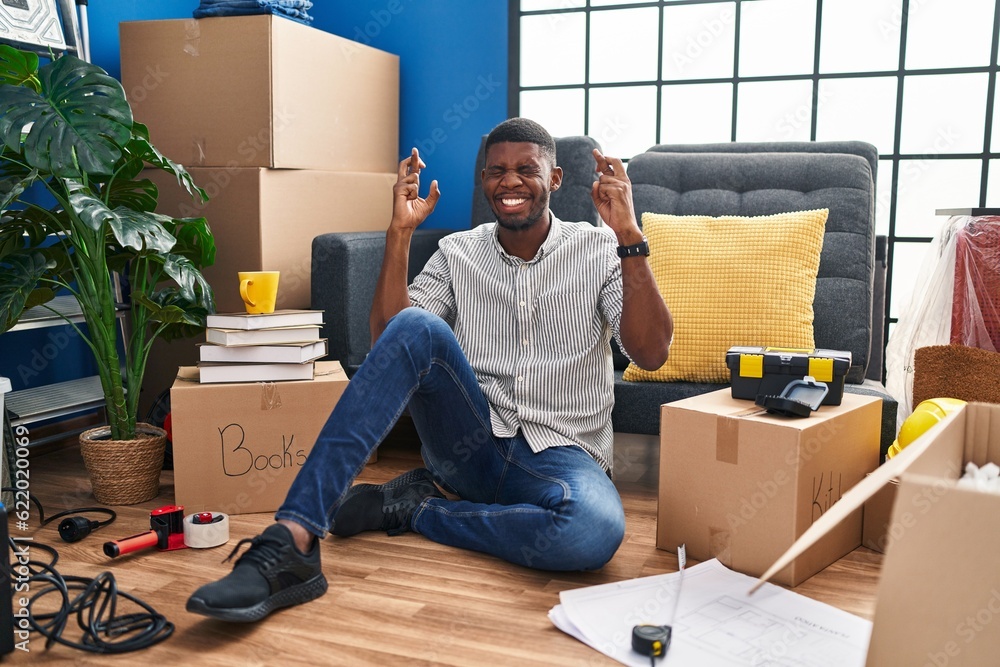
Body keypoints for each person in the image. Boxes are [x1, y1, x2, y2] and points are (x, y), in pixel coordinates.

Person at [186, 118, 673, 623]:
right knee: (416, 325)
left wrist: (629, 236)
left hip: (563, 457)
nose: (509, 181)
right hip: (470, 442)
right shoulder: (459, 251)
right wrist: (399, 232)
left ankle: (417, 509)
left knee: (590, 532)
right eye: (496, 171)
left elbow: (651, 353)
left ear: (554, 179)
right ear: (484, 181)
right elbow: (389, 347)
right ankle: (292, 538)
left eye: (526, 169)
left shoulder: (599, 250)